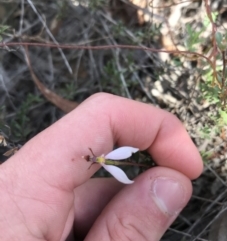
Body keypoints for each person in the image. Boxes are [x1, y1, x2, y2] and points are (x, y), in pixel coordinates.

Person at [0, 93, 203, 241]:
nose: (95, 160)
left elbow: (118, 157)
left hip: (114, 161)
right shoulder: (104, 163)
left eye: (95, 159)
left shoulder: (105, 159)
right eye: (94, 160)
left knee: (127, 163)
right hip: (114, 163)